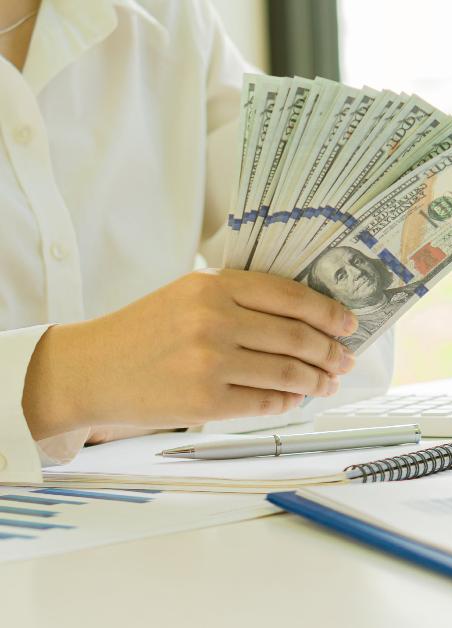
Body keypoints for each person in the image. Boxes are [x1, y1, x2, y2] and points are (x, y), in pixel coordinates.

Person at [0, 0, 393, 483]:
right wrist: (73, 382)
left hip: (151, 515)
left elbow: (357, 344)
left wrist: (159, 399)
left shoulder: (171, 20)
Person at [305, 246, 424, 350]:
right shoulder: (351, 337)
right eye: (341, 276)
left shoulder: (415, 288)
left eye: (357, 261)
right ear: (332, 297)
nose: (357, 272)